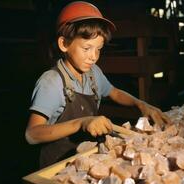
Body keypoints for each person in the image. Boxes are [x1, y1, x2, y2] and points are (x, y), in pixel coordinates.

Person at [25, 1, 171, 168]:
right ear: (64, 44)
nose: (93, 57)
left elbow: (114, 92)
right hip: (58, 165)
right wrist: (82, 122)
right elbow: (32, 134)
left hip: (84, 158)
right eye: (86, 48)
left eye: (98, 49)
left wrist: (140, 104)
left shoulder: (93, 73)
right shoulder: (51, 82)